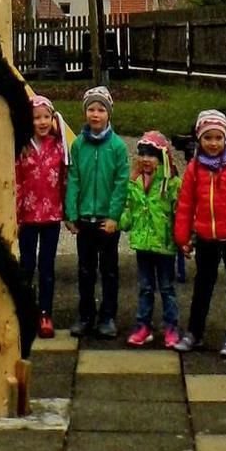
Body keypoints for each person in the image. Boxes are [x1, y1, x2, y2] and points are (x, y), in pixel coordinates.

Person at [173, 108, 226, 357]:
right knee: (202, 286)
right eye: (208, 138)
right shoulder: (194, 168)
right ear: (199, 139)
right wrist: (183, 237)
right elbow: (186, 204)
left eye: (218, 138)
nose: (213, 143)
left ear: (225, 138)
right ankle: (195, 332)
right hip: (206, 238)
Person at [64, 86, 131, 339]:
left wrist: (114, 216)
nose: (95, 114)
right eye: (91, 109)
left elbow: (120, 183)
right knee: (85, 270)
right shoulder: (79, 145)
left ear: (109, 113)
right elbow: (74, 179)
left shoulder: (117, 147)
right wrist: (71, 213)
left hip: (106, 221)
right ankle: (85, 315)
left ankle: (108, 316)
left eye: (100, 109)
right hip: (84, 220)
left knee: (110, 270)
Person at [121, 129, 181, 347]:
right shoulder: (135, 182)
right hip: (143, 244)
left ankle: (171, 325)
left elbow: (179, 212)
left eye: (151, 155)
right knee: (145, 287)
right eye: (142, 154)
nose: (146, 160)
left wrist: (184, 238)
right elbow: (129, 206)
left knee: (167, 288)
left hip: (164, 245)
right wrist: (122, 222)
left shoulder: (171, 184)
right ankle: (143, 325)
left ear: (162, 158)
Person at [17, 95, 66, 339]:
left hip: (51, 216)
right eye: (37, 118)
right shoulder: (21, 147)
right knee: (26, 266)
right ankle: (26, 310)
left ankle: (45, 312)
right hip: (26, 216)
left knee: (47, 267)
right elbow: (15, 181)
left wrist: (69, 212)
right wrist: (14, 213)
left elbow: (66, 179)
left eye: (46, 117)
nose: (42, 122)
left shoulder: (59, 146)